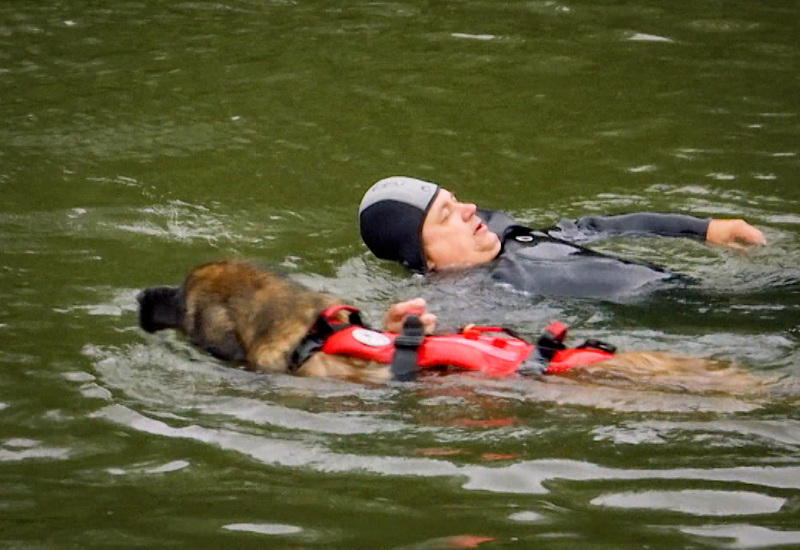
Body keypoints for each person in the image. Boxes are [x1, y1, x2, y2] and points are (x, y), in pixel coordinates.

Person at [358, 176, 766, 299]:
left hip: (695, 287)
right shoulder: (477, 303)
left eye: (456, 200)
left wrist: (705, 230)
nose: (469, 210)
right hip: (679, 315)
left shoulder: (516, 237)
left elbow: (602, 227)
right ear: (425, 258)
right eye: (446, 215)